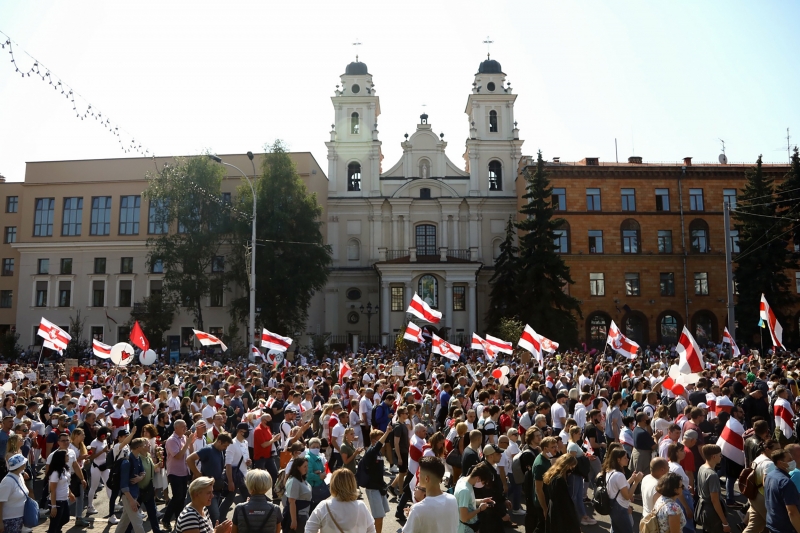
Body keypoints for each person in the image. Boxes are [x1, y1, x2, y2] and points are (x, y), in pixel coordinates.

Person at [305, 469, 375, 533]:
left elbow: (309, 530)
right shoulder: (361, 506)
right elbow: (371, 530)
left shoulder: (324, 506)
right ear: (353, 484)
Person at [402, 456, 458, 533]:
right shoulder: (453, 499)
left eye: (419, 473)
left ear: (426, 478)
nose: (418, 475)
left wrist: (411, 517)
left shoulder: (417, 509)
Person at [187, 433, 233, 525]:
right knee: (215, 517)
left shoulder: (221, 451)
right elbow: (189, 459)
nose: (225, 448)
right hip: (207, 491)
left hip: (216, 489)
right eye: (225, 445)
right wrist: (198, 474)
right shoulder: (208, 450)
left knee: (211, 517)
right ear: (219, 441)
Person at [163, 420, 195, 532]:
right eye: (183, 427)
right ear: (176, 428)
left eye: (185, 426)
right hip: (175, 472)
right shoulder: (172, 440)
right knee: (177, 496)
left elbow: (190, 453)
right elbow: (178, 456)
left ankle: (178, 520)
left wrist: (190, 443)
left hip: (184, 471)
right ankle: (166, 519)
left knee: (181, 498)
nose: (185, 429)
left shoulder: (183, 438)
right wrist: (187, 443)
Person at [603, 447, 643, 533]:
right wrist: (636, 482)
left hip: (613, 506)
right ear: (618, 460)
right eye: (625, 458)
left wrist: (632, 478)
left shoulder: (610, 471)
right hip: (620, 508)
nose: (627, 459)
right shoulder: (619, 475)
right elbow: (627, 496)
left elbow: (622, 486)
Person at [362, 428, 392, 533]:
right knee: (378, 517)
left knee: (381, 516)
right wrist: (387, 432)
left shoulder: (378, 453)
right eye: (381, 440)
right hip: (372, 489)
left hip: (379, 488)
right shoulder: (371, 451)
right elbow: (379, 445)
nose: (383, 442)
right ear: (374, 441)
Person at [764, 448, 800, 533]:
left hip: (773, 523)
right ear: (780, 463)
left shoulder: (770, 476)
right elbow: (792, 512)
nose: (793, 461)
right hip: (785, 528)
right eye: (789, 460)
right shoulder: (786, 482)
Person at [695, 444, 730, 533]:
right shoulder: (712, 475)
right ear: (714, 456)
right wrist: (725, 522)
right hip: (712, 513)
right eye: (720, 455)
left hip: (703, 509)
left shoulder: (702, 467)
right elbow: (715, 500)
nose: (721, 457)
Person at [115, 438, 147, 533]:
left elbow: (143, 472)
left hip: (134, 494)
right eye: (143, 445)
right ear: (138, 447)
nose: (145, 447)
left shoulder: (138, 458)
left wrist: (140, 478)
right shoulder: (127, 462)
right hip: (129, 496)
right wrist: (132, 501)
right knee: (138, 522)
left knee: (124, 522)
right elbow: (124, 486)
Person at [543, 453, 581, 533]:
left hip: (553, 509)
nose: (572, 469)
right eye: (571, 466)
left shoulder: (552, 474)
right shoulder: (559, 480)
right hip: (560, 514)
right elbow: (564, 501)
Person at [566, 425, 595, 525]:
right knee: (573, 496)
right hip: (574, 474)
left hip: (577, 474)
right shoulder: (573, 445)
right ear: (574, 434)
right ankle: (571, 518)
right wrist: (585, 459)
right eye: (579, 433)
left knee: (578, 497)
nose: (580, 435)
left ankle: (584, 517)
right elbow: (571, 461)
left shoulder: (574, 444)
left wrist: (586, 457)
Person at [454, 462, 495, 533]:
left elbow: (467, 501)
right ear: (478, 478)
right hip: (465, 529)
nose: (483, 485)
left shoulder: (463, 480)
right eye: (484, 482)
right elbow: (464, 518)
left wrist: (481, 501)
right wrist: (480, 509)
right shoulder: (465, 491)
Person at [46, 449, 76, 533]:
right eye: (66, 455)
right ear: (61, 458)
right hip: (57, 502)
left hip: (64, 499)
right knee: (54, 524)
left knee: (66, 518)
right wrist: (53, 506)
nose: (68, 457)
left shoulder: (64, 469)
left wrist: (70, 493)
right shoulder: (55, 473)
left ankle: (57, 530)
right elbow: (52, 490)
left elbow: (65, 484)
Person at [0, 454, 30, 533]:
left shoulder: (19, 476)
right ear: (21, 466)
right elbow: (0, 502)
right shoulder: (7, 482)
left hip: (20, 518)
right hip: (9, 521)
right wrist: (0, 523)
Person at [282, 456, 312, 533]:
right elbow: (291, 502)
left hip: (304, 514)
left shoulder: (302, 479)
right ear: (298, 467)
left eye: (307, 466)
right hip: (298, 516)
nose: (307, 468)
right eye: (304, 466)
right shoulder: (293, 481)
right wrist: (294, 520)